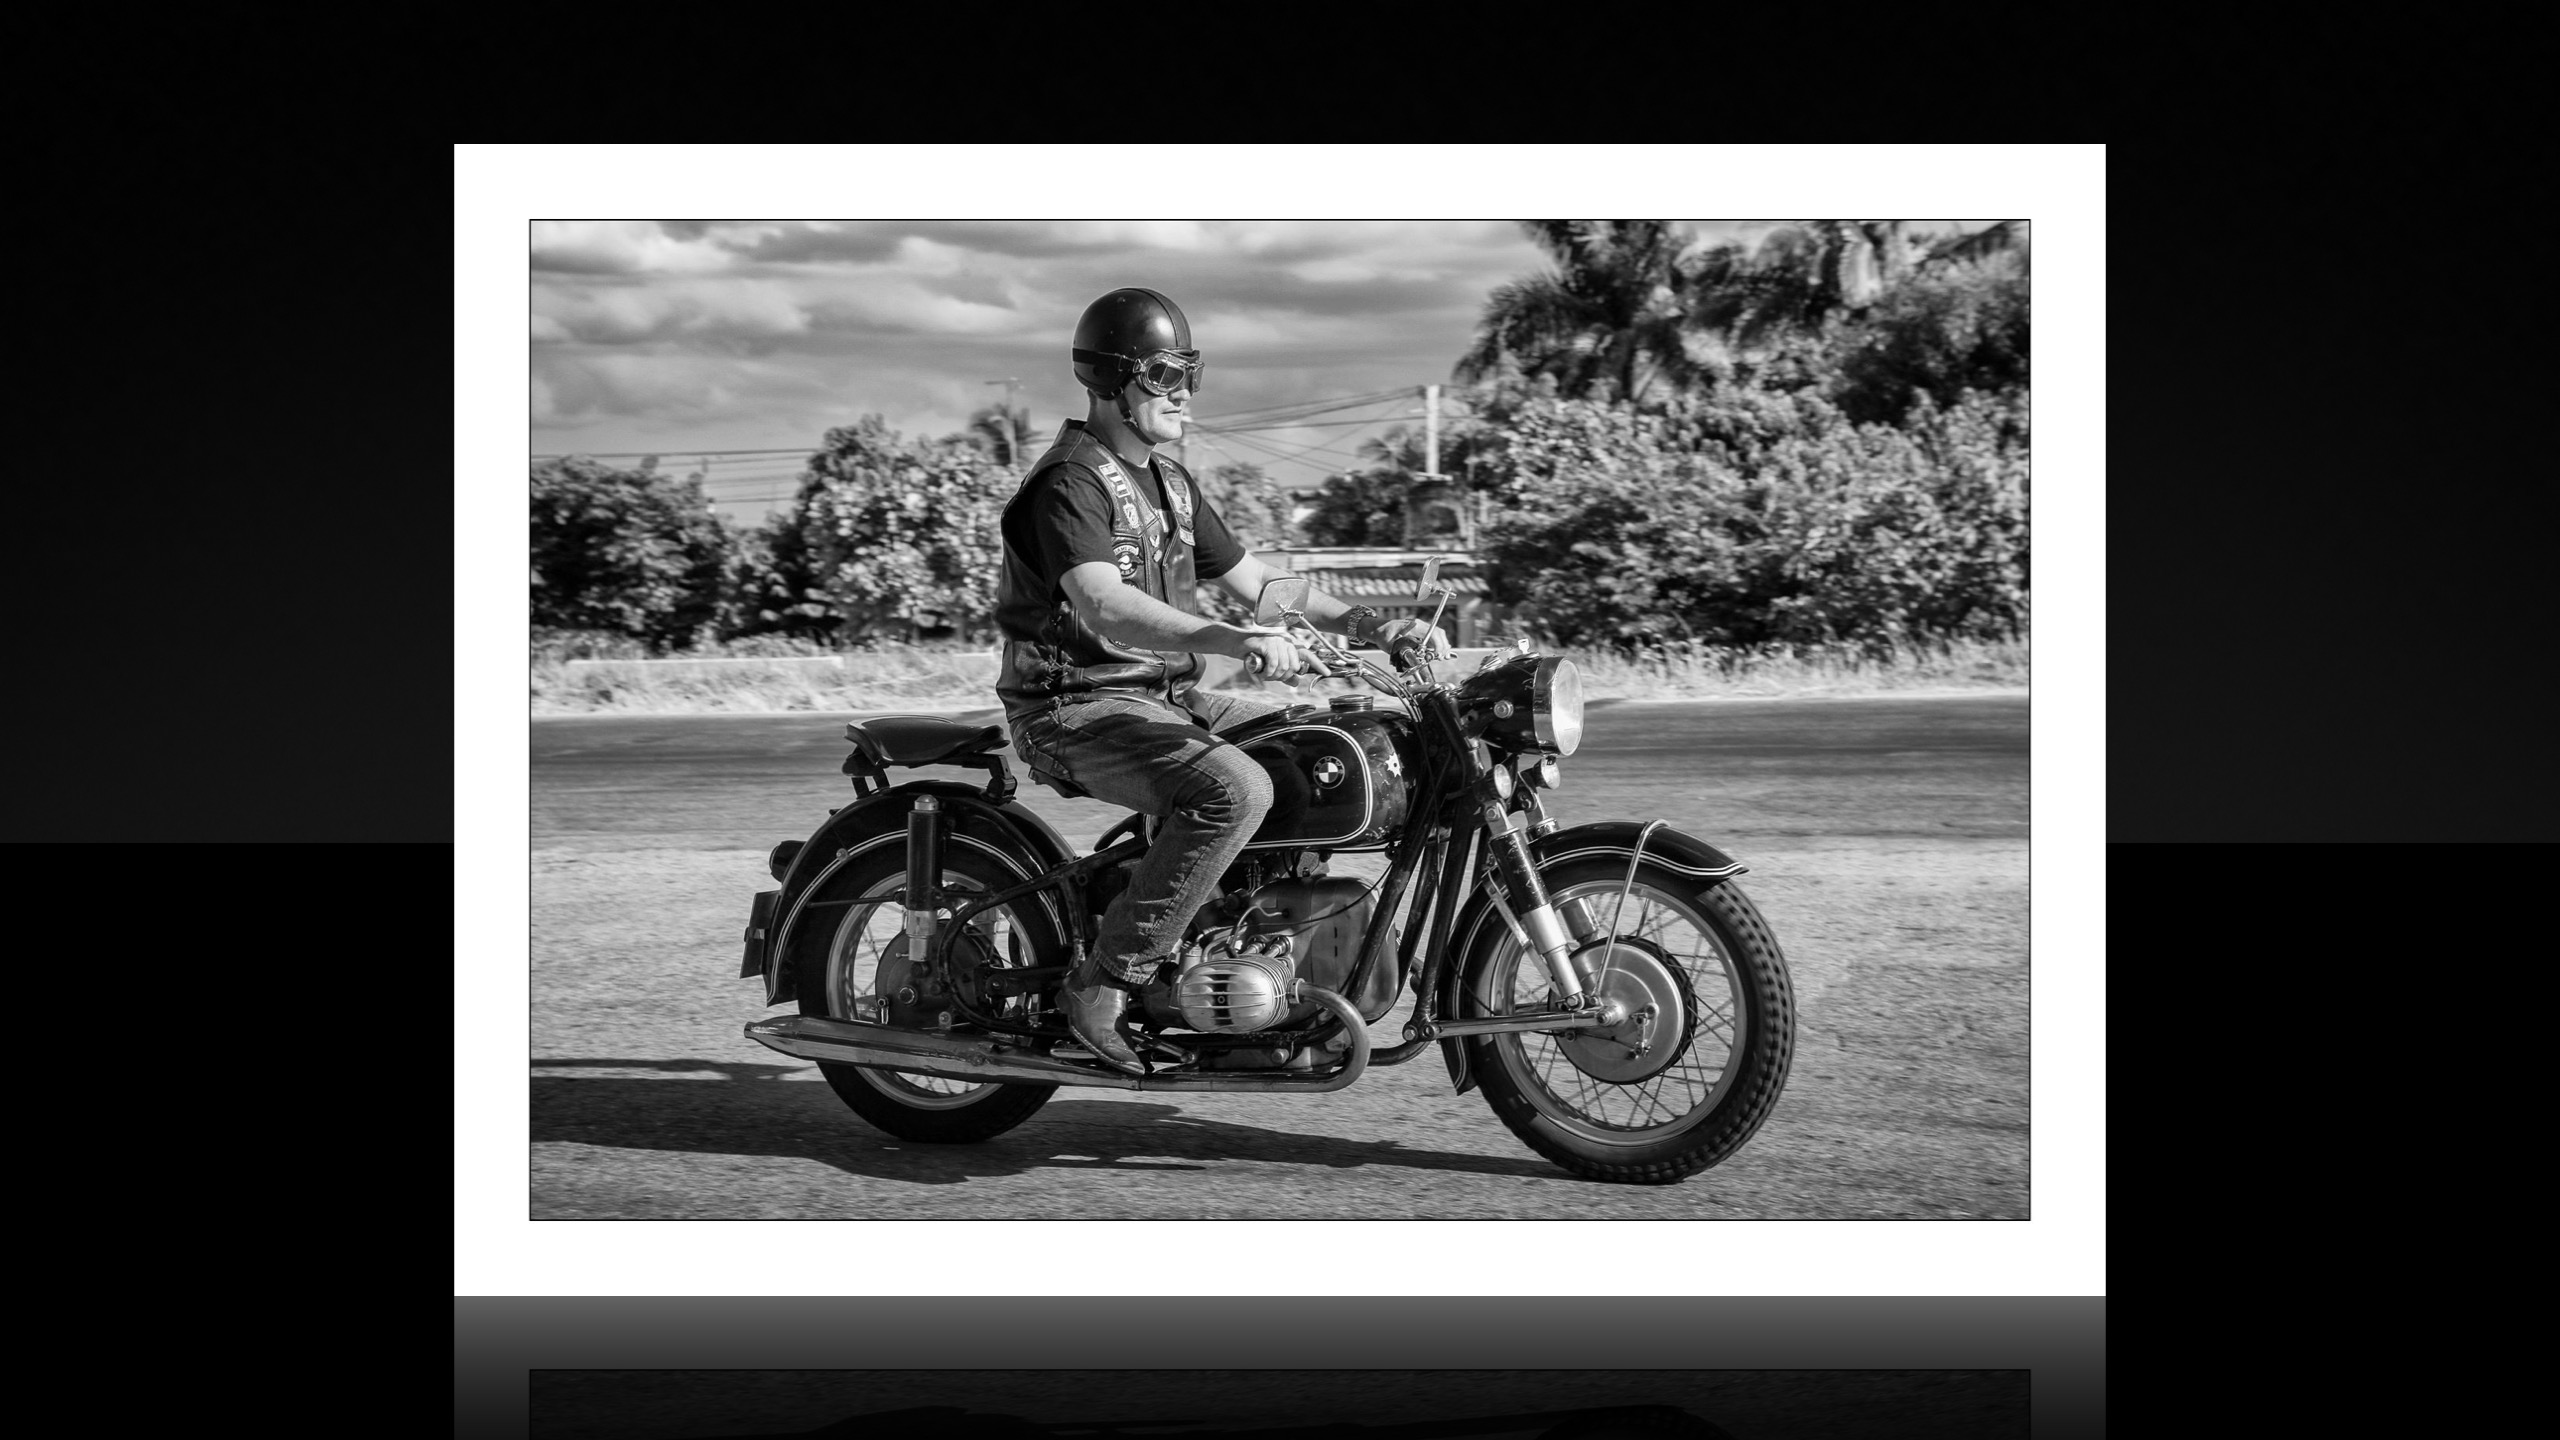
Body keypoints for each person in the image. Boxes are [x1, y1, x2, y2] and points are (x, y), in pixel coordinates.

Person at [992, 286, 1447, 1072]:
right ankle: (1104, 984)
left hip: (1164, 698)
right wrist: (1233, 639)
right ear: (1112, 380)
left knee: (1316, 751)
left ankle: (1249, 951)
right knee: (1233, 790)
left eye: (1190, 375)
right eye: (1165, 376)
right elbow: (1104, 605)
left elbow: (1262, 584)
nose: (1185, 395)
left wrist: (1378, 626)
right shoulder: (1071, 482)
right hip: (1073, 707)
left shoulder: (1170, 484)